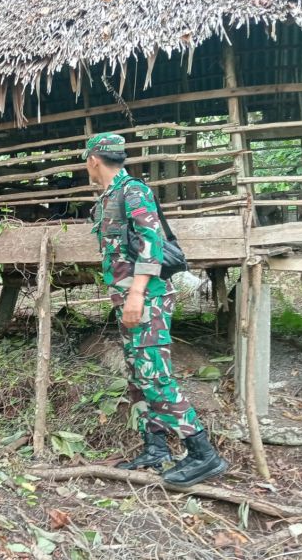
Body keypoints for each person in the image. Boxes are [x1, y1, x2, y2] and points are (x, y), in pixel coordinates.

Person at [85, 132, 227, 487]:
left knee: (155, 376)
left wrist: (136, 294)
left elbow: (151, 244)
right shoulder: (109, 196)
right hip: (127, 299)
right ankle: (156, 448)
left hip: (147, 299)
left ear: (93, 160)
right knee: (138, 375)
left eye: (86, 161)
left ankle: (203, 454)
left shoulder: (133, 191)